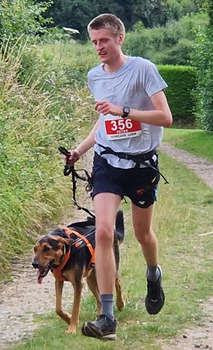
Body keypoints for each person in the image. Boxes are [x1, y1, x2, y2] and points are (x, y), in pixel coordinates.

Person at [66, 13, 173, 341]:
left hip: (142, 165)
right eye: (94, 42)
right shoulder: (94, 76)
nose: (99, 47)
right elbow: (103, 123)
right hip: (108, 164)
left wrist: (124, 111)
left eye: (104, 41)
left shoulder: (143, 69)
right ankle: (106, 316)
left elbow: (165, 117)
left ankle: (153, 275)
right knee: (104, 231)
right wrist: (80, 150)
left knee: (142, 235)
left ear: (119, 39)